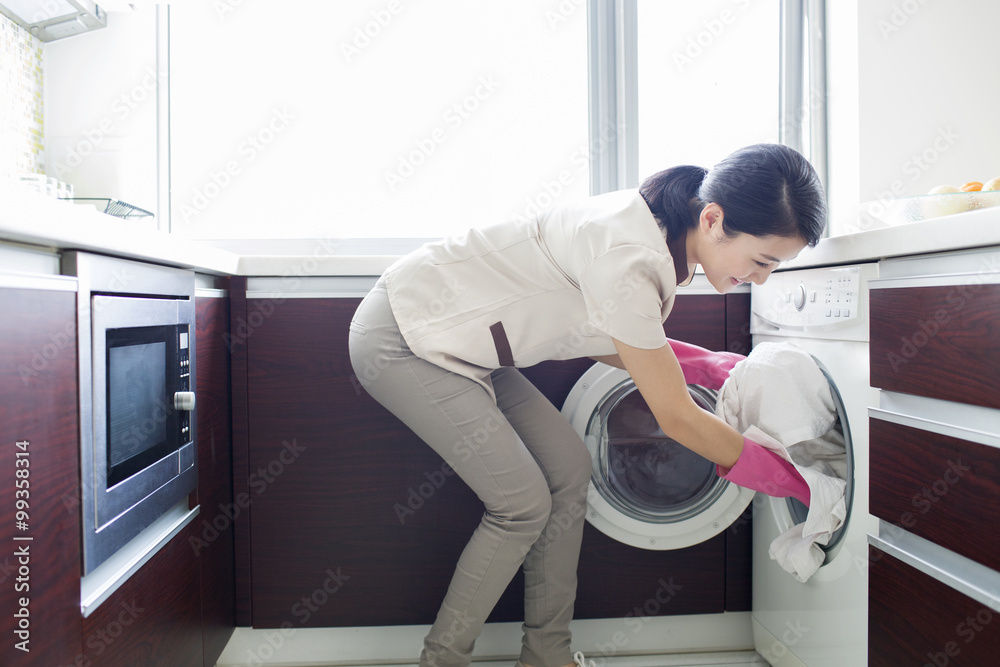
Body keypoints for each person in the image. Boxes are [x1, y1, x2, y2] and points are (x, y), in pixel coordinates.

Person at [348, 143, 825, 667]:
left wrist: (711, 365)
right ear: (712, 219)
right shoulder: (629, 254)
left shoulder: (655, 233)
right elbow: (678, 417)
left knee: (569, 469)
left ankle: (546, 656)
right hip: (405, 335)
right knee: (520, 504)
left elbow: (613, 334)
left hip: (467, 342)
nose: (762, 279)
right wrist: (797, 481)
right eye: (762, 261)